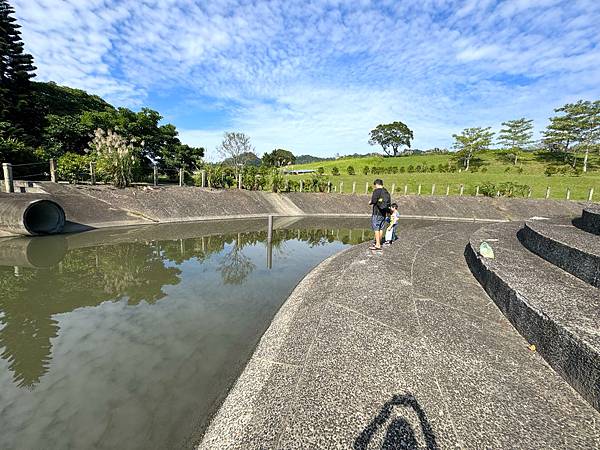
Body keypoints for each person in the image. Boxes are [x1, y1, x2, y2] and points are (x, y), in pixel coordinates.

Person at [369, 179, 391, 251]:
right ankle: (379, 242)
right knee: (381, 228)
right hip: (383, 213)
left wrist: (370, 202)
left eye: (375, 185)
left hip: (377, 212)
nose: (375, 187)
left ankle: (377, 245)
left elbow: (374, 200)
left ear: (377, 184)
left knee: (376, 228)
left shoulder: (377, 191)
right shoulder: (386, 192)